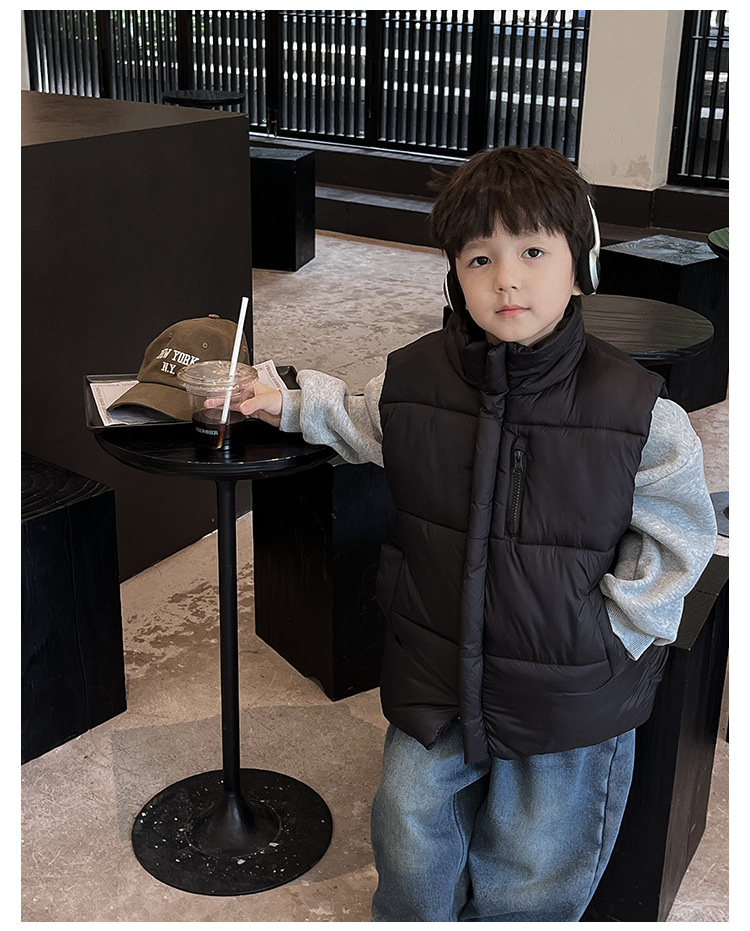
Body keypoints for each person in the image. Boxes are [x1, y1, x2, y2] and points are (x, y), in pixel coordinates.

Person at [211, 146, 717, 921]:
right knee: (409, 820)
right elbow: (362, 419)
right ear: (454, 277)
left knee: (536, 860)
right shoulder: (414, 381)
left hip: (567, 688)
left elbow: (677, 539)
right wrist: (288, 400)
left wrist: (612, 636)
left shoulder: (639, 413)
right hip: (438, 666)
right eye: (481, 258)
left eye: (533, 252)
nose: (506, 278)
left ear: (581, 267)